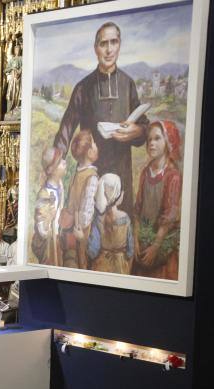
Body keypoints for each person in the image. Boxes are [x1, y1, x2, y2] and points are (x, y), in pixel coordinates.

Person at [49, 22, 148, 213]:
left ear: (119, 45)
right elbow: (66, 130)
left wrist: (137, 131)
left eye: (114, 42)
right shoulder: (83, 87)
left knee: (119, 229)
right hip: (90, 171)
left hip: (121, 170)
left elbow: (143, 128)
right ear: (96, 48)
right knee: (87, 230)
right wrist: (53, 166)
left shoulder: (128, 84)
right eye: (104, 44)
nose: (109, 49)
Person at [133, 120, 182, 280]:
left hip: (160, 247)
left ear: (168, 142)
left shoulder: (172, 176)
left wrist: (155, 246)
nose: (151, 144)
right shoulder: (145, 172)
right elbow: (138, 209)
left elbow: (170, 215)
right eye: (149, 140)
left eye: (157, 138)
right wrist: (135, 240)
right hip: (142, 245)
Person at [60, 129, 99, 269]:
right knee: (81, 260)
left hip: (69, 225)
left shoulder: (76, 173)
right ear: (89, 152)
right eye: (94, 144)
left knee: (71, 258)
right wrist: (83, 230)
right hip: (81, 228)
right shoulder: (92, 176)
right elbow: (87, 209)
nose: (96, 146)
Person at [87, 173, 133, 274]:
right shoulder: (125, 218)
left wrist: (83, 239)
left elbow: (92, 252)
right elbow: (130, 252)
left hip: (101, 267)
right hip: (121, 268)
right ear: (117, 194)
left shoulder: (98, 219)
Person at [32, 147, 66, 266]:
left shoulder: (60, 186)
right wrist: (48, 219)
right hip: (49, 244)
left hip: (58, 239)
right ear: (52, 169)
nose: (64, 162)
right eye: (60, 162)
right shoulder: (44, 193)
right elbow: (41, 228)